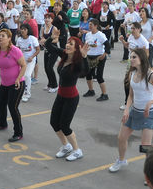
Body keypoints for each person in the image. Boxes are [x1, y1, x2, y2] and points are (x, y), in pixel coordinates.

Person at [109, 48, 153, 172]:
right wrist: (127, 109)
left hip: (149, 113)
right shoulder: (132, 73)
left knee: (145, 147)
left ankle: (150, 173)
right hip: (134, 111)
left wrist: (151, 102)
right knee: (121, 138)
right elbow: (131, 95)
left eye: (134, 57)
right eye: (130, 57)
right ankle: (121, 160)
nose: (131, 59)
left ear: (141, 59)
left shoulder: (151, 75)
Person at [44, 33, 89, 162]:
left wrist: (84, 57)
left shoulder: (78, 63)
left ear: (76, 48)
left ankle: (77, 150)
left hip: (71, 98)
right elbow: (48, 46)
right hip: (60, 96)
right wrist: (52, 37)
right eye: (68, 42)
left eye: (71, 44)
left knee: (65, 126)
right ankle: (66, 146)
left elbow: (85, 72)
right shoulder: (64, 54)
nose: (68, 45)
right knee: (54, 123)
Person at [0, 28, 27, 142]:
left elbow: (24, 65)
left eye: (3, 36)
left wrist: (18, 79)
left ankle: (18, 132)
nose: (0, 37)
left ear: (9, 38)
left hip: (17, 83)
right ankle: (2, 124)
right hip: (4, 83)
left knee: (13, 107)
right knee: (1, 103)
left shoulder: (15, 50)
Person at [83, 19, 109, 101]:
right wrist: (83, 52)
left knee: (99, 76)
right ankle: (91, 91)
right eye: (89, 24)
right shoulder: (88, 34)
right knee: (88, 74)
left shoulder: (100, 35)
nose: (89, 26)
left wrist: (104, 54)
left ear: (96, 26)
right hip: (89, 57)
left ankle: (104, 94)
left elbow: (107, 45)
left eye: (91, 24)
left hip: (99, 57)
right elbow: (85, 45)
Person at [15, 23, 40, 102]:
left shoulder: (33, 39)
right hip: (22, 61)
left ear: (28, 30)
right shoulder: (19, 39)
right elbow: (17, 50)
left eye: (24, 29)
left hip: (31, 60)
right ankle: (20, 91)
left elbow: (38, 50)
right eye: (21, 29)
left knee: (27, 75)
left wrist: (32, 57)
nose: (22, 31)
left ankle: (27, 94)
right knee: (20, 76)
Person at [40, 13, 59, 92]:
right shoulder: (43, 28)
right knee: (46, 68)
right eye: (46, 18)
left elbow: (56, 40)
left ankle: (55, 85)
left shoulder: (54, 28)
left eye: (49, 18)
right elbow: (42, 37)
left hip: (54, 50)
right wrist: (41, 41)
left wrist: (47, 41)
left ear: (52, 20)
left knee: (50, 67)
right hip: (46, 50)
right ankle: (50, 84)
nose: (47, 19)